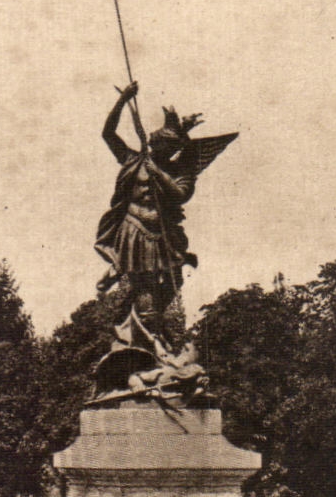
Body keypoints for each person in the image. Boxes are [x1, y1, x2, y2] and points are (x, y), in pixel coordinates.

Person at [96, 81, 237, 338]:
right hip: (135, 231)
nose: (161, 150)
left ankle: (139, 318)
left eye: (169, 149)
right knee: (146, 286)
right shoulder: (133, 160)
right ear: (153, 143)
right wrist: (123, 100)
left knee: (175, 281)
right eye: (158, 145)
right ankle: (146, 331)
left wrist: (157, 173)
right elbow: (108, 133)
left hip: (163, 235)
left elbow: (180, 195)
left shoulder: (180, 172)